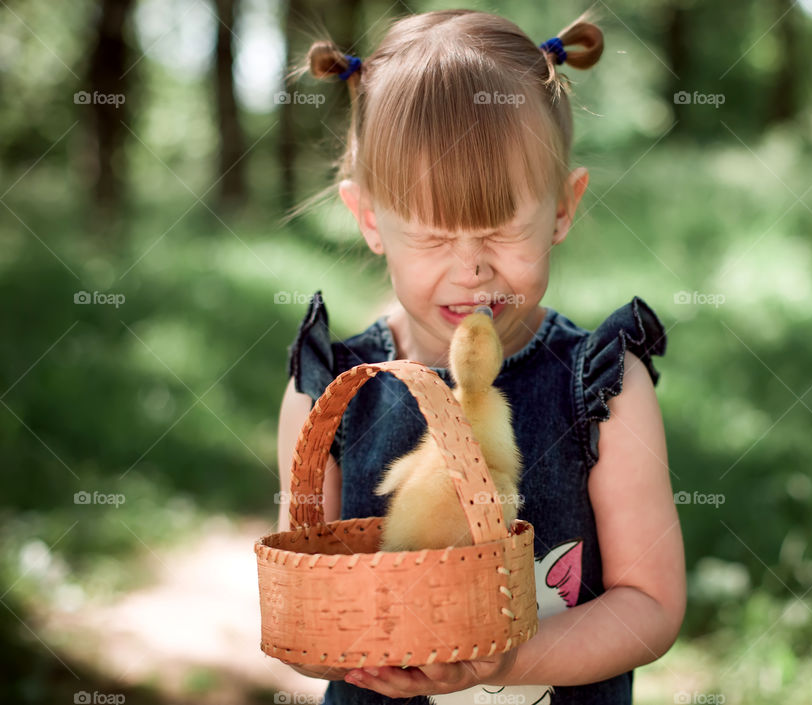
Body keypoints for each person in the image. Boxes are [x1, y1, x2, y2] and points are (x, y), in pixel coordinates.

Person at [275, 8, 686, 704]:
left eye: (500, 231)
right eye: (435, 238)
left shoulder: (605, 387)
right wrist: (364, 644)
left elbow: (649, 605)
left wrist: (500, 662)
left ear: (562, 207)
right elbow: (304, 612)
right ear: (370, 219)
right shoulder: (332, 392)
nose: (472, 271)